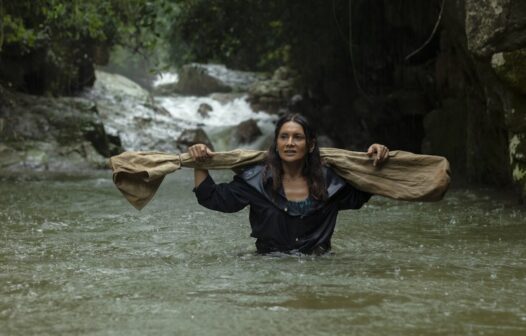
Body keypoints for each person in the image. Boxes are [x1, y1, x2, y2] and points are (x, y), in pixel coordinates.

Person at [188, 113, 389, 255]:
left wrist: (375, 156)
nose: (290, 142)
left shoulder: (332, 182)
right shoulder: (255, 181)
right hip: (269, 271)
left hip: (321, 270)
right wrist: (199, 161)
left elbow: (367, 186)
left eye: (298, 137)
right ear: (276, 144)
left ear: (310, 145)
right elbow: (211, 197)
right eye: (284, 137)